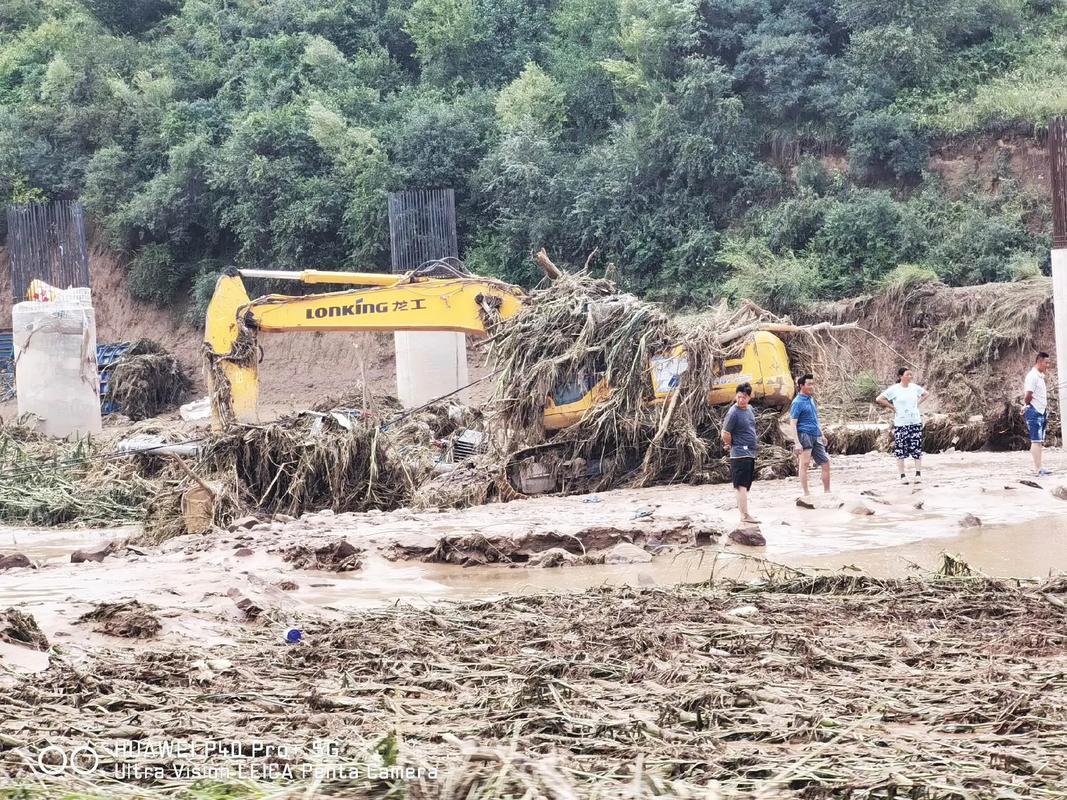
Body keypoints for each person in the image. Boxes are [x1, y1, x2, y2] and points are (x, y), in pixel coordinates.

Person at [876, 368, 929, 485]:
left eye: (911, 374)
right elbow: (879, 399)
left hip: (915, 422)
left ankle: (918, 474)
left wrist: (917, 403)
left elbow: (926, 394)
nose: (910, 376)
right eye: (907, 374)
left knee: (917, 449)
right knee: (900, 450)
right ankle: (902, 476)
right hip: (901, 424)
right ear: (900, 376)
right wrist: (892, 407)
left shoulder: (914, 387)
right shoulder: (894, 389)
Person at [722, 383, 759, 524]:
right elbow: (725, 433)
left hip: (750, 452)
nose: (740, 400)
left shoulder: (749, 409)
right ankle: (744, 515)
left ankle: (745, 514)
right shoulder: (733, 413)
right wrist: (733, 445)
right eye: (738, 397)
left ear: (749, 397)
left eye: (744, 397)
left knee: (746, 485)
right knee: (741, 486)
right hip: (739, 453)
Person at [789, 374, 830, 496]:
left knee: (825, 463)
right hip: (804, 435)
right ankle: (806, 494)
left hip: (816, 434)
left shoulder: (811, 399)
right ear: (801, 386)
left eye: (813, 384)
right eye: (809, 384)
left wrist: (822, 434)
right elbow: (792, 424)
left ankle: (827, 492)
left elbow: (815, 418)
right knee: (804, 464)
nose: (812, 386)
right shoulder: (797, 402)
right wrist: (797, 443)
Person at [1023, 351, 1051, 477]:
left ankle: (1040, 467)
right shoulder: (1032, 376)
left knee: (1040, 441)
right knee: (1035, 440)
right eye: (1046, 363)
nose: (1048, 365)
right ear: (1039, 361)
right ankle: (1037, 468)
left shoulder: (1040, 376)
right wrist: (1028, 406)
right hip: (1034, 410)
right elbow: (1028, 396)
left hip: (1041, 410)